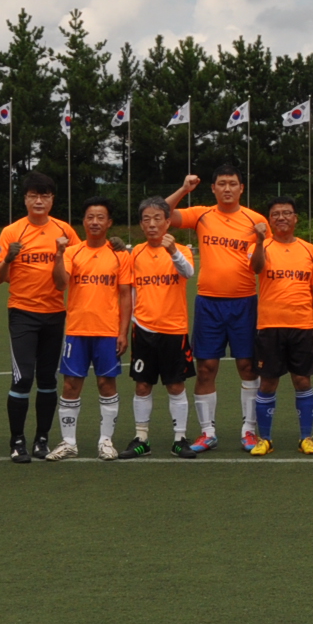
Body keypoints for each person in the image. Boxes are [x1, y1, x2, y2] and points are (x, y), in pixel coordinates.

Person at [163, 165, 270, 453]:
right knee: (206, 368)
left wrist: (261, 240)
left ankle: (249, 431)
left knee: (247, 367)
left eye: (232, 183)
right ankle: (207, 432)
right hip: (209, 304)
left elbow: (261, 264)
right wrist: (184, 189)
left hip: (244, 303)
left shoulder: (256, 220)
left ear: (241, 188)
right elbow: (163, 215)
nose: (227, 188)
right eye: (221, 183)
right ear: (213, 188)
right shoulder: (202, 214)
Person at [0, 172, 79, 461]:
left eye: (44, 195)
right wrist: (8, 258)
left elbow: (78, 263)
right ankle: (17, 441)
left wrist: (112, 248)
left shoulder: (64, 231)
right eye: (33, 195)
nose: (39, 201)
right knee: (23, 378)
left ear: (52, 199)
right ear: (25, 199)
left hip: (54, 313)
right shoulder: (12, 232)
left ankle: (42, 439)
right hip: (22, 313)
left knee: (47, 379)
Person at [50, 198, 132, 460]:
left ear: (109, 223)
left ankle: (105, 441)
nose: (95, 222)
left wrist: (123, 332)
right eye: (90, 217)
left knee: (107, 384)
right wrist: (59, 255)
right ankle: (68, 442)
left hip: (108, 331)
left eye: (100, 217)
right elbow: (60, 284)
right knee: (70, 385)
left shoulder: (120, 254)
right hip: (77, 330)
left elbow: (125, 295)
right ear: (83, 221)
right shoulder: (72, 252)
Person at [248, 196, 313, 454]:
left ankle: (306, 438)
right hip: (270, 326)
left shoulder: (309, 250)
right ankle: (265, 439)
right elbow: (256, 267)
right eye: (276, 214)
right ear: (270, 220)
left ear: (295, 218)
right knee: (267, 383)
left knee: (302, 381)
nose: (281, 217)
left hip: (302, 325)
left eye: (287, 213)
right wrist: (260, 241)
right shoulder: (261, 246)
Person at [127, 195, 197, 457]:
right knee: (142, 385)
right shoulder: (136, 253)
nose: (152, 224)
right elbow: (131, 291)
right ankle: (141, 438)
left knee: (175, 385)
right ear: (141, 224)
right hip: (144, 330)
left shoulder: (181, 250)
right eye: (146, 219)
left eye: (158, 218)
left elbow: (188, 272)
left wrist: (173, 252)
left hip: (174, 330)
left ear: (168, 222)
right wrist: (133, 321)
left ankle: (180, 439)